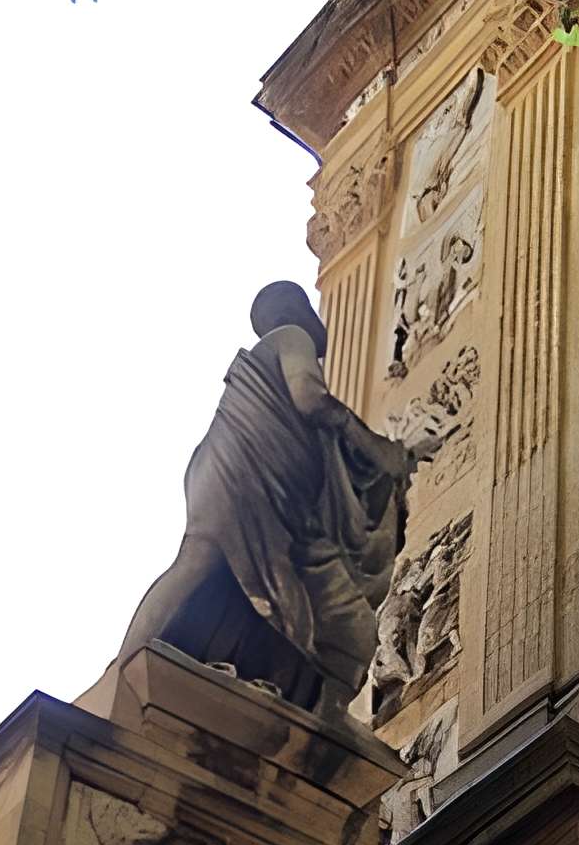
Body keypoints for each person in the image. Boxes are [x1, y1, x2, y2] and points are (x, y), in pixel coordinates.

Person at [115, 281, 435, 718]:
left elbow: (330, 457)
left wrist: (388, 461)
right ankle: (326, 718)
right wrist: (380, 449)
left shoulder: (266, 362)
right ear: (297, 311)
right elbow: (310, 398)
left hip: (228, 471)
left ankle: (123, 670)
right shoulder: (290, 337)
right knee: (334, 625)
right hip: (248, 477)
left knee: (195, 563)